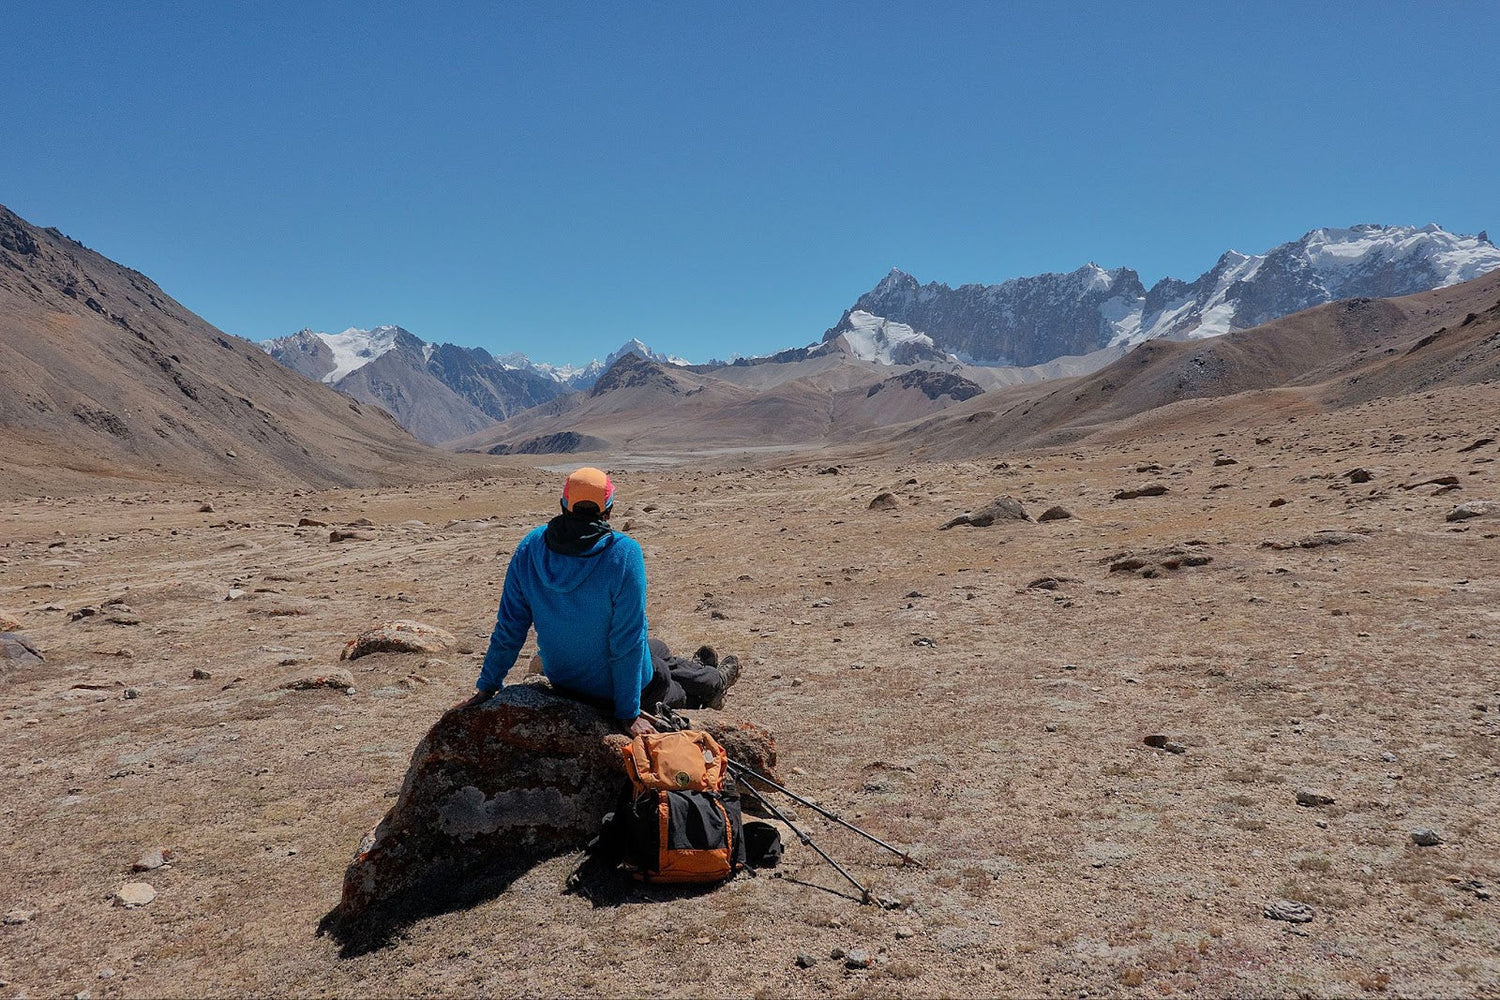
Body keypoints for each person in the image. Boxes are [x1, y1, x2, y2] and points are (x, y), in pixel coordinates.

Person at [461, 467, 739, 736]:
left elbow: (509, 628)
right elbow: (627, 641)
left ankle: (700, 671)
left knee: (659, 649)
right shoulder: (622, 553)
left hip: (565, 681)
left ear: (563, 504)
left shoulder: (530, 547)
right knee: (666, 675)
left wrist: (488, 686)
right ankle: (715, 683)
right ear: (609, 510)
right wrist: (628, 713)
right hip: (620, 693)